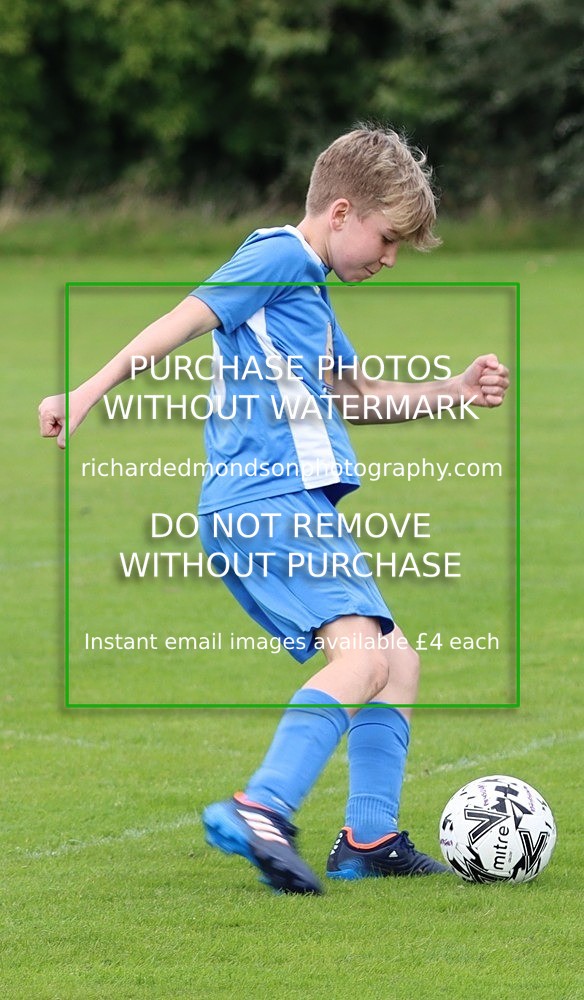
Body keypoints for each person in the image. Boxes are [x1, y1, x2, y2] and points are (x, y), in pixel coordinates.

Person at [39, 125, 509, 895]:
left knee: (396, 662)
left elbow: (355, 395)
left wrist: (453, 391)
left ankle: (369, 840)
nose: (390, 258)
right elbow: (183, 319)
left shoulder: (309, 290)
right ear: (342, 212)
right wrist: (85, 391)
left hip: (288, 500)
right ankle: (262, 806)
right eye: (388, 239)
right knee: (363, 661)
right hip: (267, 497)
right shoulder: (279, 256)